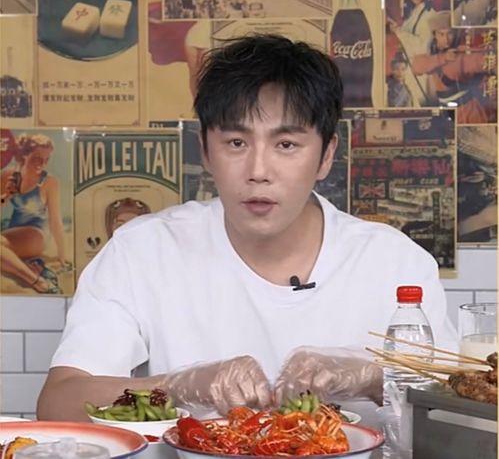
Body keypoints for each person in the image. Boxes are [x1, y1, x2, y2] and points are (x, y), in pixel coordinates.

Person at [37, 35, 456, 421]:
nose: (258, 171)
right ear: (205, 150)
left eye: (286, 145)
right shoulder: (143, 250)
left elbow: (458, 410)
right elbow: (59, 402)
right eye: (236, 143)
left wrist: (372, 377)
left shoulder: (395, 263)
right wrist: (177, 386)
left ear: (327, 154)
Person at [1, 133, 67, 294]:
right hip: (13, 232)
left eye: (46, 160)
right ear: (24, 154)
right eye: (37, 158)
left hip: (36, 234)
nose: (42, 164)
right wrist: (6, 196)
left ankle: (37, 281)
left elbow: (55, 221)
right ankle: (29, 268)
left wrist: (62, 254)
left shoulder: (49, 182)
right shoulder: (7, 176)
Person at [412, 10, 491, 124]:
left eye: (450, 33)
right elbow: (416, 66)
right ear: (435, 35)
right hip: (447, 113)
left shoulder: (461, 53)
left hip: (468, 112)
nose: (446, 39)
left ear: (455, 34)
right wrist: (443, 58)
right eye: (441, 34)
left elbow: (479, 61)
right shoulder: (434, 55)